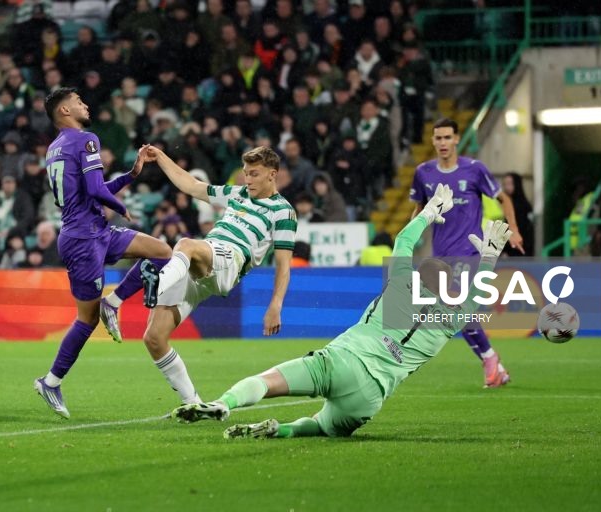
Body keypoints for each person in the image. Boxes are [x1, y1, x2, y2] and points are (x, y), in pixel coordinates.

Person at [171, 186, 514, 439]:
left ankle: (224, 403)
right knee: (322, 426)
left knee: (266, 381)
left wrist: (426, 214)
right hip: (370, 398)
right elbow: (473, 301)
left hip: (343, 362)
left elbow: (403, 243)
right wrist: (488, 260)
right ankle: (282, 430)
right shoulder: (446, 324)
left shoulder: (399, 287)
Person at [33, 88, 171, 419]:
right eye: (79, 101)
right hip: (83, 240)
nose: (85, 104)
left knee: (162, 252)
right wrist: (122, 208)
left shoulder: (55, 148)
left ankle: (115, 301)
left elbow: (92, 192)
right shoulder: (85, 139)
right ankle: (51, 382)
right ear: (65, 110)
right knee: (86, 319)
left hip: (96, 232)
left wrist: (132, 175)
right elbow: (96, 191)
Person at [136, 145, 297, 405]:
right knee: (154, 338)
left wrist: (275, 305)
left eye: (254, 174)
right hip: (201, 262)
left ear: (272, 174)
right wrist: (161, 157)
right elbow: (191, 185)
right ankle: (193, 404)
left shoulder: (283, 211)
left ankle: (158, 283)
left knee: (186, 244)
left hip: (231, 260)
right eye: (246, 173)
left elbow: (283, 265)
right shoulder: (237, 193)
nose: (248, 179)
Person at [410, 118, 523, 388]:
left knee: (455, 306)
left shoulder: (474, 169)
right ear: (433, 141)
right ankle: (493, 362)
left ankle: (491, 363)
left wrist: (514, 230)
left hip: (470, 251)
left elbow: (503, 198)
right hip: (441, 256)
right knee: (456, 314)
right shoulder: (423, 172)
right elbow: (418, 209)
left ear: (457, 139)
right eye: (438, 138)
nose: (442, 143)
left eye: (447, 137)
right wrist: (409, 236)